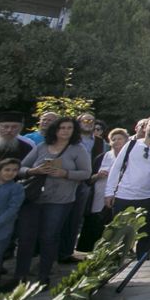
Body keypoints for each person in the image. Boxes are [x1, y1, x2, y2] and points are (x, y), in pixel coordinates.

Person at [15, 117, 91, 286]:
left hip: (60, 200)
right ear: (55, 130)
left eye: (69, 128)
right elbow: (20, 168)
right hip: (34, 198)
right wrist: (35, 170)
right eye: (62, 127)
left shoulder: (78, 149)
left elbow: (86, 173)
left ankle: (43, 277)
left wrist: (65, 174)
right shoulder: (41, 147)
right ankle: (20, 277)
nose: (65, 131)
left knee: (49, 236)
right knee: (26, 237)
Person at [104, 120, 150, 257]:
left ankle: (141, 266)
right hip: (124, 195)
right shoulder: (131, 144)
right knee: (118, 234)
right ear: (144, 127)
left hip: (149, 198)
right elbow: (116, 168)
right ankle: (114, 266)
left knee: (145, 236)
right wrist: (109, 192)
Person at [58, 112, 105, 263]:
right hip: (66, 181)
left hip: (87, 184)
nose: (89, 122)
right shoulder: (70, 140)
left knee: (76, 219)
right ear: (78, 123)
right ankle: (53, 251)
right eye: (85, 120)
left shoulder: (99, 142)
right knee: (60, 216)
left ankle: (67, 252)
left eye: (92, 120)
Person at [78, 127, 129, 252]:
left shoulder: (130, 157)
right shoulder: (102, 157)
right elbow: (89, 178)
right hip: (99, 196)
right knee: (95, 224)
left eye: (119, 139)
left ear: (126, 141)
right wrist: (98, 175)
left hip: (122, 195)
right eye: (113, 139)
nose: (116, 141)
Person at [0, 158, 25, 283]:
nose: (10, 173)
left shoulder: (17, 188)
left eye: (14, 170)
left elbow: (13, 209)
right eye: (7, 170)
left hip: (3, 229)